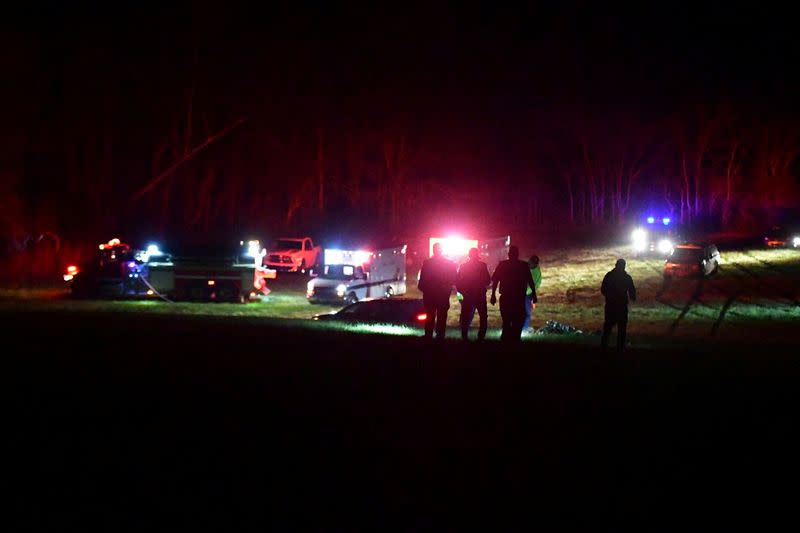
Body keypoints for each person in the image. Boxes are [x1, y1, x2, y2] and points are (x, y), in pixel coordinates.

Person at [490, 245, 537, 342]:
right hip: (518, 298)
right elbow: (530, 281)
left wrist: (493, 294)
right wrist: (534, 295)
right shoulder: (523, 265)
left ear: (509, 254)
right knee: (518, 320)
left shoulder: (503, 265)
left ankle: (505, 340)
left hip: (506, 297)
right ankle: (515, 339)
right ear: (517, 254)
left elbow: (495, 280)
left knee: (507, 320)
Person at [418, 242, 457, 340]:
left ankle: (428, 334)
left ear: (433, 250)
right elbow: (454, 278)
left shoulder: (427, 263)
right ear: (441, 250)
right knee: (442, 315)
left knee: (430, 315)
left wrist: (423, 288)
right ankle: (440, 334)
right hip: (443, 293)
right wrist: (449, 287)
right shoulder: (449, 263)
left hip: (430, 294)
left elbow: (423, 278)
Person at [600, 258, 637, 351]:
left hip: (611, 304)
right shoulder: (626, 277)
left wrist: (609, 296)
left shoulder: (609, 276)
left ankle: (603, 345)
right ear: (623, 266)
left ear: (616, 265)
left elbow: (603, 289)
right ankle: (620, 347)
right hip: (622, 305)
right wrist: (632, 297)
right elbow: (632, 291)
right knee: (622, 327)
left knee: (608, 326)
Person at [456, 247, 491, 341]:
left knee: (465, 316)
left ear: (469, 255)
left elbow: (458, 282)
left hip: (468, 295)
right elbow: (488, 280)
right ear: (477, 255)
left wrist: (460, 295)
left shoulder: (463, 266)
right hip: (480, 294)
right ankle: (481, 337)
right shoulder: (483, 266)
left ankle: (464, 337)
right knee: (483, 316)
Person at [522, 255, 542, 332]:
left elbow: (536, 283)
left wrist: (532, 294)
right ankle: (522, 329)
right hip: (524, 294)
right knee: (524, 313)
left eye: (534, 263)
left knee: (527, 313)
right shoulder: (526, 267)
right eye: (532, 262)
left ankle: (524, 329)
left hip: (527, 294)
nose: (532, 264)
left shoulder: (536, 272)